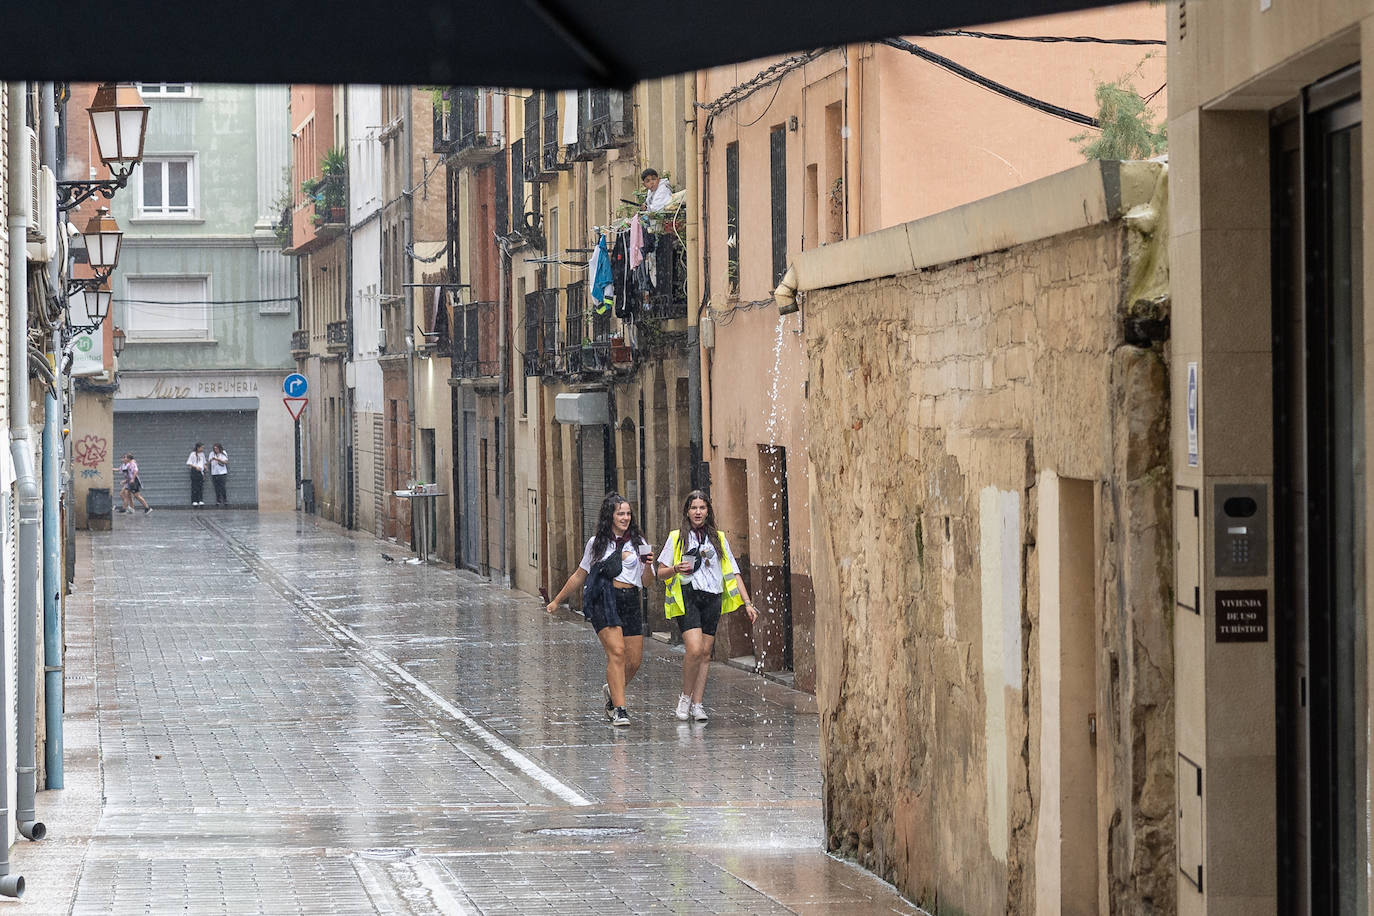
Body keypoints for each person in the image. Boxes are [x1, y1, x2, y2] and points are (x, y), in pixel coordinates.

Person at [546, 493, 656, 726]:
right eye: (620, 514)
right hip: (605, 599)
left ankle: (612, 691)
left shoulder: (638, 543)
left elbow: (647, 582)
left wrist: (647, 565)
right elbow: (580, 574)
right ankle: (620, 709)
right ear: (610, 516)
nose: (625, 518)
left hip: (630, 599)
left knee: (634, 660)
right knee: (617, 653)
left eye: (628, 513)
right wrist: (557, 600)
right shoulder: (597, 543)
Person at [656, 489, 756, 722]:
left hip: (712, 598)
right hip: (688, 595)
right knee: (694, 649)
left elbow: (734, 573)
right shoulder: (677, 538)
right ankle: (685, 697)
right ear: (687, 512)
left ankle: (698, 704)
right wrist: (675, 569)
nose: (698, 512)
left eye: (702, 507)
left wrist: (748, 603)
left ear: (708, 511)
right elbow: (659, 572)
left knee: (705, 654)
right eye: (694, 508)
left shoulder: (719, 539)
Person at [186, 442, 208, 507]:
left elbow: (203, 462)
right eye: (202, 447)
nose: (202, 449)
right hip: (194, 471)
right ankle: (194, 501)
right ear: (198, 448)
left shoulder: (202, 454)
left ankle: (200, 500)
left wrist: (205, 467)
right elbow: (189, 463)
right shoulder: (192, 454)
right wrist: (196, 467)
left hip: (200, 472)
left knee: (200, 486)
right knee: (194, 486)